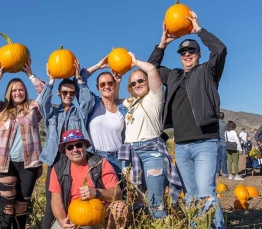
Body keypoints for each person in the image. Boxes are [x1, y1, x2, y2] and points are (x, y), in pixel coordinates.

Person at [147, 10, 227, 228]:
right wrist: (162, 44)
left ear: (199, 54)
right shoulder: (173, 76)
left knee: (206, 193)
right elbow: (151, 68)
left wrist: (198, 30)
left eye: (192, 51)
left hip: (205, 142)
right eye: (183, 52)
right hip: (181, 146)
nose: (187, 55)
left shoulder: (207, 72)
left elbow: (220, 49)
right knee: (190, 196)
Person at [118, 52, 182, 219]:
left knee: (155, 201)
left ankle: (160, 223)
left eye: (141, 80)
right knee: (136, 200)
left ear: (147, 81)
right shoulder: (131, 103)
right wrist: (117, 80)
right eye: (133, 83)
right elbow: (115, 99)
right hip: (131, 153)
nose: (137, 84)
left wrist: (134, 62)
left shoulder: (155, 97)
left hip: (151, 153)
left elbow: (152, 69)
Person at [0, 59, 43, 229]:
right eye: (14, 90)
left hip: (28, 164)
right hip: (2, 165)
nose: (18, 93)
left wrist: (30, 75)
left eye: (21, 89)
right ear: (9, 92)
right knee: (6, 211)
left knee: (22, 211)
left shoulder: (33, 108)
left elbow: (47, 94)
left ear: (25, 91)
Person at [39, 59, 92, 229]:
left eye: (71, 93)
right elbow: (41, 104)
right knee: (52, 201)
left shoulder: (79, 112)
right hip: (54, 159)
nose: (68, 96)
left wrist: (79, 78)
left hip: (74, 158)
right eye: (64, 93)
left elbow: (87, 100)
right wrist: (51, 81)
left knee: (74, 196)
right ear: (59, 94)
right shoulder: (53, 113)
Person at [48, 129, 127, 229]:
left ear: (85, 146)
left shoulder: (100, 163)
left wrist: (96, 193)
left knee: (119, 208)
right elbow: (56, 201)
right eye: (70, 147)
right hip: (75, 216)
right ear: (65, 151)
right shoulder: (58, 169)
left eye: (79, 145)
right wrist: (62, 221)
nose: (75, 149)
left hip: (100, 213)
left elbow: (117, 193)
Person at [78, 56, 127, 180]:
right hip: (96, 157)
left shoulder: (123, 109)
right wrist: (98, 66)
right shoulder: (93, 104)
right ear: (98, 87)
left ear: (115, 85)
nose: (106, 86)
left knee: (121, 194)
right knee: (99, 195)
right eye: (102, 84)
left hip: (119, 158)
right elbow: (78, 79)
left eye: (110, 83)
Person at [217, 112, 228, 177]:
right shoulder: (225, 124)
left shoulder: (215, 124)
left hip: (217, 142)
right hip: (224, 142)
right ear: (223, 117)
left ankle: (217, 172)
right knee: (224, 158)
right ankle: (224, 172)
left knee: (218, 157)